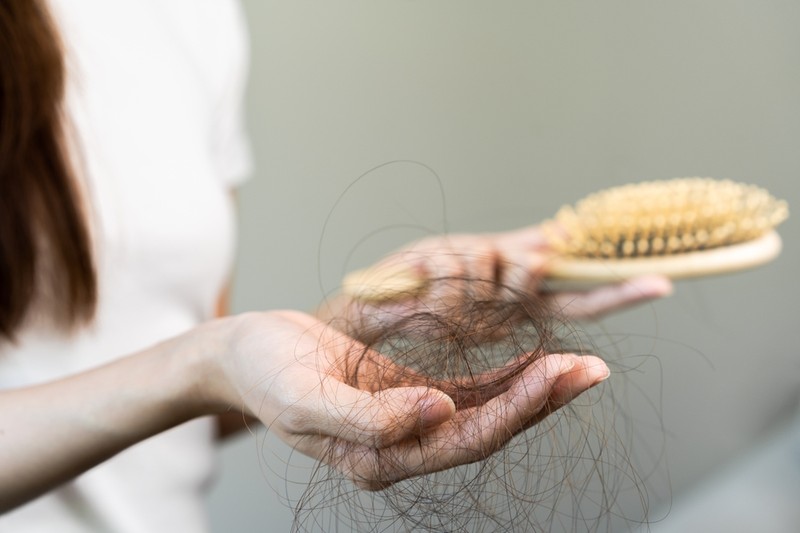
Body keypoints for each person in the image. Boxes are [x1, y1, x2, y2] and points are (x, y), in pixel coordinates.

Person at [0, 1, 672, 531]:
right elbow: (193, 364)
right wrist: (207, 358)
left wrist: (359, 316)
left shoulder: (192, 14)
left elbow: (196, 390)